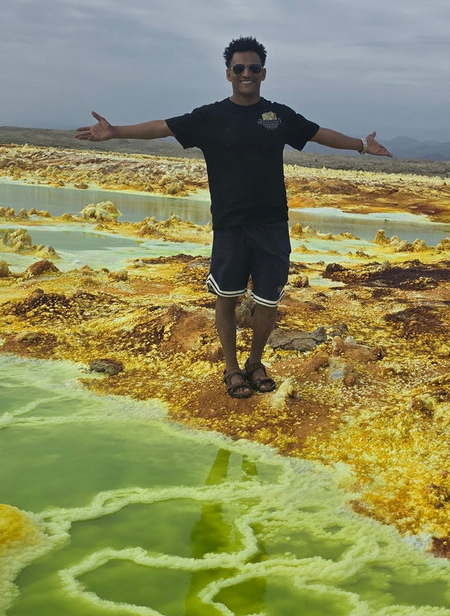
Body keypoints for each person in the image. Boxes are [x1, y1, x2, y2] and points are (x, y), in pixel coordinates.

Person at [75, 36, 391, 399]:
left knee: (268, 301)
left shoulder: (278, 115)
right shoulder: (210, 117)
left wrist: (362, 145)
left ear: (263, 73)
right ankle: (231, 367)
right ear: (228, 74)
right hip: (230, 225)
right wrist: (115, 131)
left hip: (272, 223)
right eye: (239, 68)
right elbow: (162, 127)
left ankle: (255, 362)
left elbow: (320, 135)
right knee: (226, 297)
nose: (246, 74)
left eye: (253, 68)